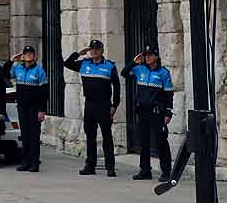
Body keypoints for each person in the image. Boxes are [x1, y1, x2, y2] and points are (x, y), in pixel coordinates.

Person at [64, 39, 120, 177]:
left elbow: (117, 86)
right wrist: (78, 53)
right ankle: (90, 165)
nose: (94, 51)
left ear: (102, 50)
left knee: (107, 137)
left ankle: (110, 167)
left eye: (97, 49)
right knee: (90, 137)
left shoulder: (109, 66)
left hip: (104, 104)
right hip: (89, 105)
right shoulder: (84, 63)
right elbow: (67, 63)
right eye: (92, 49)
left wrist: (114, 105)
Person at [123, 46, 174, 181]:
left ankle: (166, 171)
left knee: (161, 142)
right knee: (143, 142)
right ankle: (145, 170)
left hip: (157, 113)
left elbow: (169, 94)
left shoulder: (163, 73)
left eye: (150, 55)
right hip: (142, 112)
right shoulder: (140, 70)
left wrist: (168, 112)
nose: (147, 58)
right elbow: (124, 73)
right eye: (146, 55)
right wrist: (134, 62)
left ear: (156, 57)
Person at [9, 46, 49, 172]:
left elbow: (44, 92)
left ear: (35, 56)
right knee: (25, 135)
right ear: (23, 56)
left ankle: (34, 163)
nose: (28, 56)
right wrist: (11, 61)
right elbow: (5, 74)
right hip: (22, 106)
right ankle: (25, 162)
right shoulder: (18, 68)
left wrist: (42, 110)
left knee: (34, 136)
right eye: (26, 54)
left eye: (31, 54)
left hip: (34, 107)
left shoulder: (39, 71)